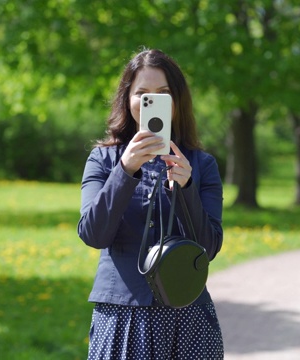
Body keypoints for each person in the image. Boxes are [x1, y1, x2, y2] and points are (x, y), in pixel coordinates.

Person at [77, 48, 225, 359]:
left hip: (189, 317)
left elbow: (208, 248)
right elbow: (93, 234)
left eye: (163, 93)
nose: (152, 101)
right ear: (127, 99)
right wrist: (125, 171)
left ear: (177, 101)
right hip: (122, 314)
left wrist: (185, 188)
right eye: (142, 94)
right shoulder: (103, 160)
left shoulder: (201, 165)